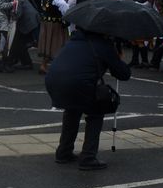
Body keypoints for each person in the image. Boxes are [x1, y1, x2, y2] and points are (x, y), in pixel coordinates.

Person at [45, 29, 131, 170]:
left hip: (53, 81)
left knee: (72, 109)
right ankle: (88, 157)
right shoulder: (103, 45)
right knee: (96, 111)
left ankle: (63, 152)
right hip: (78, 84)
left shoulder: (72, 41)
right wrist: (118, 58)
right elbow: (123, 74)